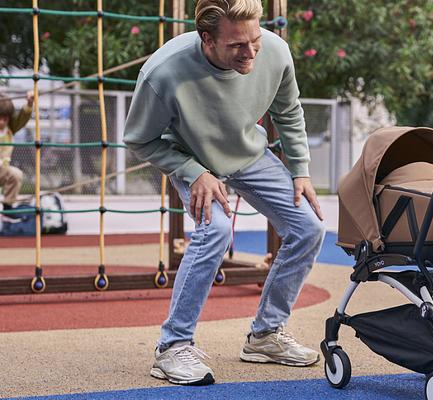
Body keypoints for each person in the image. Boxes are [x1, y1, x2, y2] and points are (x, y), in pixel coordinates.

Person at [123, 0, 325, 386]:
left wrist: (300, 170)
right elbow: (139, 140)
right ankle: (173, 347)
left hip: (247, 152)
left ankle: (266, 336)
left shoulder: (275, 50)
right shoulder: (164, 72)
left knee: (309, 226)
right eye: (237, 46)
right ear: (207, 39)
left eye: (254, 40)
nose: (250, 52)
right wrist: (193, 171)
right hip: (190, 156)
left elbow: (289, 111)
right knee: (214, 230)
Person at [0, 91, 33, 219]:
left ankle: (8, 207)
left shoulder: (9, 129)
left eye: (5, 119)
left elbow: (21, 119)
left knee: (15, 174)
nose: (2, 122)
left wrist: (29, 103)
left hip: (2, 170)